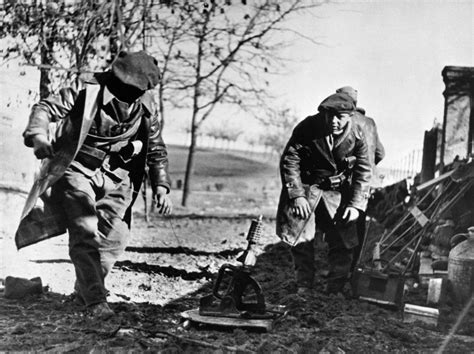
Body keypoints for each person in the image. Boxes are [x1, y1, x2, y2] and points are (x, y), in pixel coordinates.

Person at [15, 51, 172, 319]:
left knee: (116, 236)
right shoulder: (86, 90)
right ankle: (95, 300)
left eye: (139, 90)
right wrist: (38, 135)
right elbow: (45, 108)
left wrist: (161, 184)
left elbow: (154, 144)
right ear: (116, 78)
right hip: (77, 168)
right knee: (85, 229)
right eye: (127, 87)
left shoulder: (145, 105)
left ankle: (85, 289)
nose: (132, 94)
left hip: (118, 175)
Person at [276, 92, 371, 295]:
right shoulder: (308, 127)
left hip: (336, 192)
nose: (334, 121)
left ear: (350, 116)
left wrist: (355, 205)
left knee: (343, 239)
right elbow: (290, 160)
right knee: (301, 237)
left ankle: (334, 289)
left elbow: (364, 171)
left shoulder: (358, 133)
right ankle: (304, 285)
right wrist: (297, 195)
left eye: (340, 117)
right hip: (307, 187)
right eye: (330, 116)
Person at [335, 86, 385, 269]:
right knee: (359, 223)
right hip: (367, 183)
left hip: (348, 181)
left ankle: (341, 267)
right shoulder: (370, 122)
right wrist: (369, 166)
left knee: (343, 223)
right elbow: (380, 153)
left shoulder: (344, 121)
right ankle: (355, 264)